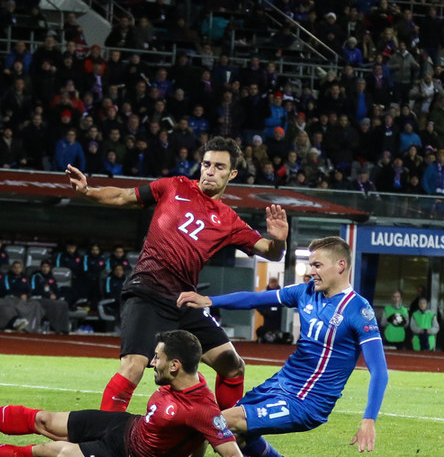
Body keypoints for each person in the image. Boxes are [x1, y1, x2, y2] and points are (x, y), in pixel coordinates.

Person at [65, 136, 288, 415]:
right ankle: (101, 435)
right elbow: (123, 196)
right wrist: (87, 191)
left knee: (233, 365)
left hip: (184, 300)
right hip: (147, 291)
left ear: (232, 174)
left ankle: (227, 430)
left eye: (219, 167)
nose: (210, 171)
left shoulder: (229, 220)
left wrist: (279, 241)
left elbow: (272, 252)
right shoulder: (175, 186)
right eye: (206, 164)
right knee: (133, 366)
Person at [0, 330, 245, 457]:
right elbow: (199, 433)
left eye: (158, 358)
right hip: (124, 426)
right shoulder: (183, 381)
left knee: (48, 452)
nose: (152, 362)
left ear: (175, 365)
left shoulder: (202, 407)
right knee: (43, 419)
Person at [177, 236, 389, 457]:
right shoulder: (305, 292)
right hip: (279, 384)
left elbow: (379, 371)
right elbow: (255, 299)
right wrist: (209, 300)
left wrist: (369, 420)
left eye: (317, 265)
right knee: (233, 430)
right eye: (311, 265)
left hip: (307, 401)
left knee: (221, 421)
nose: (311, 272)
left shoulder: (359, 310)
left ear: (340, 266)